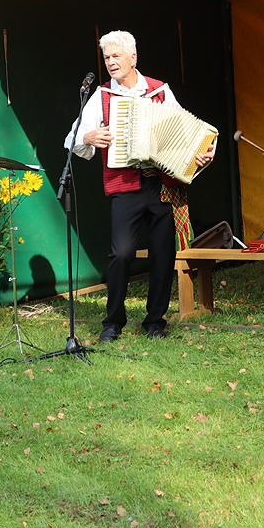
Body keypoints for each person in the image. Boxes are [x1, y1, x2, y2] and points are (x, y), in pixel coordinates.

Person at [65, 30, 215, 343]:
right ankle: (113, 322)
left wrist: (200, 155)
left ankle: (155, 322)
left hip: (161, 184)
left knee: (163, 255)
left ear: (133, 57)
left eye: (116, 56)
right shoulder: (102, 96)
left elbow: (185, 134)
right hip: (125, 185)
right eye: (106, 57)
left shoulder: (160, 91)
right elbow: (72, 139)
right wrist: (89, 137)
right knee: (121, 254)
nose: (110, 62)